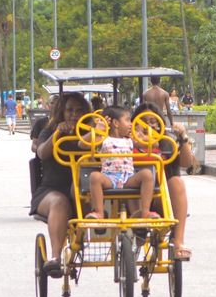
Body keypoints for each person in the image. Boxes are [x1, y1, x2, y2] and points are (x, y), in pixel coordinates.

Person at [33, 93, 91, 276]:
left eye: (79, 110)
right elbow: (41, 153)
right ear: (62, 112)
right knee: (60, 202)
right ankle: (56, 257)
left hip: (84, 188)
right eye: (70, 110)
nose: (74, 114)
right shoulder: (49, 131)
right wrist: (58, 132)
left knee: (82, 189)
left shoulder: (91, 133)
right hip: (52, 190)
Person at [133, 100, 194, 260]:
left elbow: (187, 163)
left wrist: (182, 137)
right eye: (143, 122)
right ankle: (138, 227)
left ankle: (178, 241)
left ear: (160, 124)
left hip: (160, 198)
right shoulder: (127, 142)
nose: (148, 126)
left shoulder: (166, 144)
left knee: (177, 182)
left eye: (153, 122)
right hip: (132, 198)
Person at [82, 105, 156, 222]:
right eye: (127, 120)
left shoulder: (130, 140)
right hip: (109, 178)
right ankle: (99, 212)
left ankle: (145, 211)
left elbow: (155, 144)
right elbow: (83, 144)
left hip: (128, 178)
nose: (131, 124)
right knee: (95, 177)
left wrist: (144, 138)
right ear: (116, 123)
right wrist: (96, 131)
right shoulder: (103, 139)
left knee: (147, 174)